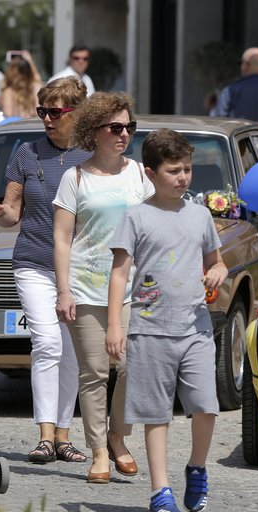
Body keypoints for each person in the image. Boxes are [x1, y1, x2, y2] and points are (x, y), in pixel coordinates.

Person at [106, 129, 227, 512]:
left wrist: (218, 271)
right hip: (149, 329)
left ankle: (197, 467)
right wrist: (114, 325)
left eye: (187, 169)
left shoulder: (200, 214)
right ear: (150, 172)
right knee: (156, 414)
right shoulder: (136, 217)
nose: (183, 177)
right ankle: (160, 491)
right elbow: (119, 274)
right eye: (174, 171)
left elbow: (216, 261)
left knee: (206, 405)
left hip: (196, 328)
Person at [0, 77, 91, 465]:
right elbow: (12, 212)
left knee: (70, 353)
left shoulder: (93, 155)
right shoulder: (26, 153)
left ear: (77, 113)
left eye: (56, 112)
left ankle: (63, 436)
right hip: (33, 263)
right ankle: (44, 436)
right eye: (43, 111)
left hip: (80, 268)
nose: (47, 119)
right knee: (48, 343)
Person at [53, 92, 151, 483]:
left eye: (129, 127)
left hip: (131, 290)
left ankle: (117, 436)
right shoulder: (75, 177)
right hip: (86, 286)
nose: (124, 134)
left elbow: (155, 227)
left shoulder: (140, 174)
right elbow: (62, 238)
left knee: (130, 367)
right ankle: (98, 450)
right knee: (94, 371)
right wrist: (63, 290)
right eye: (115, 127)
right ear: (94, 131)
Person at [0, 52, 43, 118]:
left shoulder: (8, 91)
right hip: (33, 123)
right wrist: (30, 62)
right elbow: (37, 79)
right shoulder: (35, 88)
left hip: (16, 124)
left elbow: (8, 114)